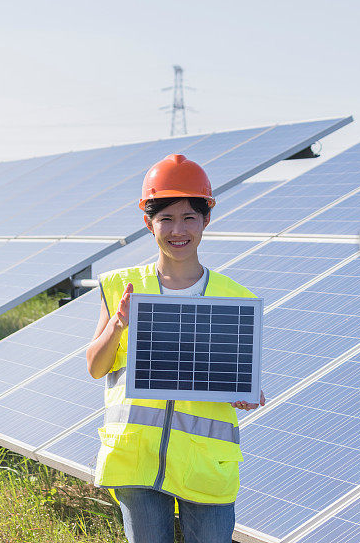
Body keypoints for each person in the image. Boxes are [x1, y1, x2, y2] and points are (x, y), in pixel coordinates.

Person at [86, 154, 265, 543]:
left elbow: (234, 376)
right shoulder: (120, 286)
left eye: (189, 217)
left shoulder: (233, 298)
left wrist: (246, 389)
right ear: (147, 222)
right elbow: (95, 367)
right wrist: (118, 324)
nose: (177, 229)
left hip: (205, 462)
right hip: (136, 458)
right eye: (165, 217)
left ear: (206, 220)